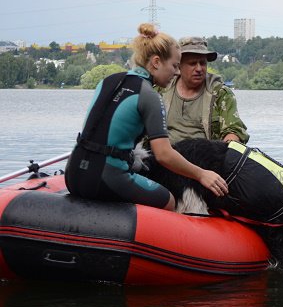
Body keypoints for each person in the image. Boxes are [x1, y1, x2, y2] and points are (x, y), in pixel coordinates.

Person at [65, 23, 228, 211]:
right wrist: (201, 174)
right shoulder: (149, 95)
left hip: (73, 173)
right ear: (156, 62)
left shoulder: (108, 81)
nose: (176, 72)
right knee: (170, 201)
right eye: (174, 65)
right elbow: (164, 155)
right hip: (106, 177)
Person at [160, 36, 248, 145]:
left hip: (206, 157)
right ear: (179, 65)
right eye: (192, 63)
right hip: (166, 155)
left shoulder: (221, 94)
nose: (199, 69)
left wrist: (226, 146)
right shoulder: (162, 90)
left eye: (202, 63)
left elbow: (234, 130)